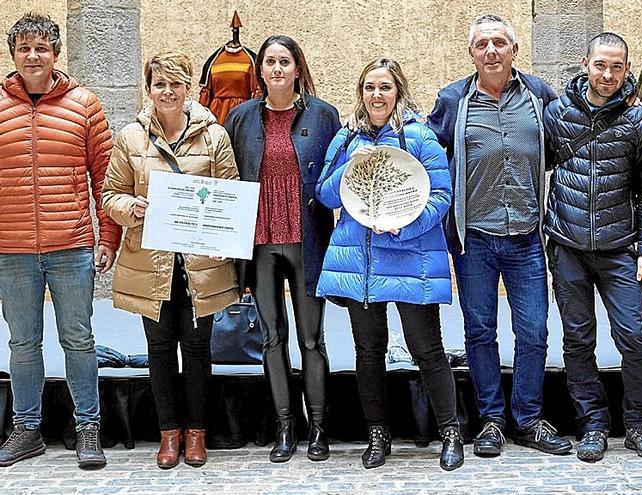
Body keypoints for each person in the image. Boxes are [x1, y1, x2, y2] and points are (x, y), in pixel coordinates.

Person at [426, 13, 570, 457]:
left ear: (514, 50)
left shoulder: (540, 95)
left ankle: (527, 418)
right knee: (480, 331)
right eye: (482, 44)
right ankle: (490, 419)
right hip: (475, 240)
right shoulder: (453, 99)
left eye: (499, 43)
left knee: (534, 331)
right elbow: (424, 148)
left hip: (527, 234)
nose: (491, 51)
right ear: (471, 53)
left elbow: (567, 137)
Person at [316, 57, 464, 471]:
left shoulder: (419, 137)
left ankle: (451, 432)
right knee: (368, 352)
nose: (376, 95)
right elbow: (325, 195)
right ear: (360, 93)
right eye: (369, 87)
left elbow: (440, 196)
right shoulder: (345, 139)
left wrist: (403, 227)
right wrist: (353, 162)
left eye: (384, 87)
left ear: (397, 90)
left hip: (410, 258)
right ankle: (378, 436)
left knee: (427, 350)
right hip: (362, 264)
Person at [102, 51, 239, 469]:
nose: (167, 91)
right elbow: (109, 197)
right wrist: (133, 208)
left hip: (201, 265)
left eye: (175, 84)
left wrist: (225, 236)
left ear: (190, 90)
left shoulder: (215, 137)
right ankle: (169, 435)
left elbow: (230, 196)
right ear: (149, 90)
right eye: (159, 84)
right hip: (151, 262)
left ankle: (196, 433)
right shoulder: (130, 137)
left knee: (198, 350)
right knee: (159, 349)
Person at [0, 12, 120, 469]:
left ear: (55, 53)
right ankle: (26, 429)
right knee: (22, 343)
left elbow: (105, 179)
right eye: (24, 48)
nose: (33, 55)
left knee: (78, 339)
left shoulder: (84, 104)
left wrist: (106, 236)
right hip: (11, 250)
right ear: (13, 55)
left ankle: (88, 427)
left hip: (71, 245)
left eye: (42, 48)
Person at [544, 32, 642, 462]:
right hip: (568, 245)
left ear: (627, 69)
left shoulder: (640, 122)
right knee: (578, 340)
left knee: (635, 338)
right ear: (585, 63)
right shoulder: (557, 114)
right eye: (601, 65)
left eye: (617, 66)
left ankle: (639, 424)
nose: (608, 74)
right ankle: (592, 424)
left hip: (620, 248)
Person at [224, 35, 339, 463]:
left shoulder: (324, 116)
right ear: (260, 70)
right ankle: (285, 427)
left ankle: (319, 428)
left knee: (312, 338)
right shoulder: (240, 118)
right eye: (269, 61)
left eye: (284, 61)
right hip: (260, 244)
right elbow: (225, 177)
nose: (277, 69)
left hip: (306, 240)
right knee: (272, 338)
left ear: (297, 68)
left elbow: (338, 174)